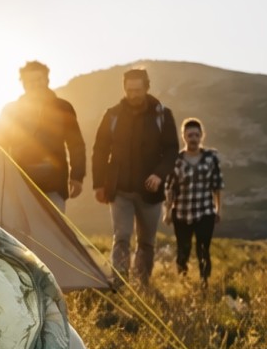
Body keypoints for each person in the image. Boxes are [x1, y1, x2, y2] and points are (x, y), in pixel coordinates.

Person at [90, 66, 179, 286]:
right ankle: (119, 283)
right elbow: (100, 150)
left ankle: (142, 285)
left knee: (147, 242)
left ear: (147, 87)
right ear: (124, 88)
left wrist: (159, 175)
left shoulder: (162, 115)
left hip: (151, 192)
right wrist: (99, 184)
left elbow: (171, 150)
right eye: (129, 90)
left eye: (138, 90)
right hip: (119, 188)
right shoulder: (112, 115)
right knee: (121, 237)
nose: (133, 95)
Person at [0, 60, 85, 205]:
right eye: (30, 81)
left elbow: (76, 144)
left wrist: (77, 177)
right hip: (20, 182)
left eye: (39, 79)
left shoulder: (63, 107)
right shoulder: (11, 111)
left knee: (54, 227)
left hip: (55, 184)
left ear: (47, 79)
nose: (35, 84)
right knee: (21, 228)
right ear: (22, 83)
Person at [165, 117, 223, 287]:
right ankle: (183, 281)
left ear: (202, 136)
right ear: (184, 136)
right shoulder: (176, 160)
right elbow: (170, 188)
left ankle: (204, 281)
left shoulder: (211, 158)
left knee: (203, 248)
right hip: (182, 212)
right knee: (183, 249)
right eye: (190, 135)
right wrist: (167, 212)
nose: (193, 138)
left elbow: (217, 186)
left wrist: (218, 210)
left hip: (205, 211)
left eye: (196, 135)